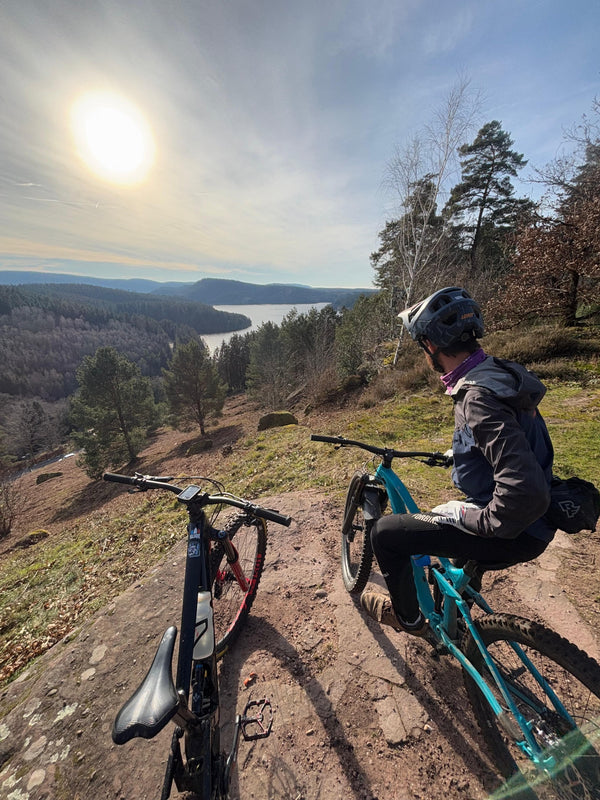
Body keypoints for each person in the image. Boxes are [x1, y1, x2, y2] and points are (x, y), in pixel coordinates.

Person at [360, 286, 556, 636]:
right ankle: (453, 617)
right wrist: (466, 452)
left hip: (516, 527)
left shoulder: (478, 398)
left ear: (430, 346)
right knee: (444, 520)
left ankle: (410, 620)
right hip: (536, 522)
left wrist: (478, 520)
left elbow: (526, 492)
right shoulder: (496, 373)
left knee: (386, 534)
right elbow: (511, 437)